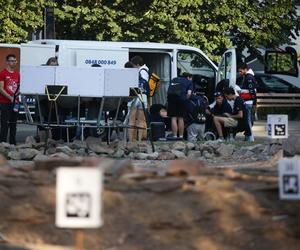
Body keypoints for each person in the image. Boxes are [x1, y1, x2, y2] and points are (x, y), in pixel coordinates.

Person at [0, 54, 20, 145]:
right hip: (4, 102)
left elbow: (19, 87)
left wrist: (15, 96)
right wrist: (10, 97)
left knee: (13, 124)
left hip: (15, 102)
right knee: (4, 124)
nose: (13, 62)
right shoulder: (2, 73)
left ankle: (13, 143)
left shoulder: (17, 74)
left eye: (14, 61)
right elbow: (1, 88)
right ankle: (3, 143)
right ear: (7, 62)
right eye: (11, 60)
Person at [128, 56, 149, 141]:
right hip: (143, 97)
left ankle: (130, 140)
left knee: (131, 120)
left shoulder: (140, 71)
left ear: (136, 64)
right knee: (141, 120)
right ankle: (140, 139)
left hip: (135, 96)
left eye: (133, 65)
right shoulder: (146, 70)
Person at [167, 72, 193, 139]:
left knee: (173, 118)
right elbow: (189, 93)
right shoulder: (188, 81)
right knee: (181, 118)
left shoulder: (174, 79)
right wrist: (186, 99)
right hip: (182, 100)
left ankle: (175, 136)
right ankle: (181, 136)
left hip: (171, 99)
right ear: (188, 77)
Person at [237, 63, 256, 142]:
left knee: (248, 120)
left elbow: (252, 92)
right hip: (247, 102)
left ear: (245, 69)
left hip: (248, 102)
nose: (240, 73)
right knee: (247, 120)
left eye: (241, 71)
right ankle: (248, 136)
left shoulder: (249, 78)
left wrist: (254, 102)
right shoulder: (246, 77)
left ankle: (250, 137)